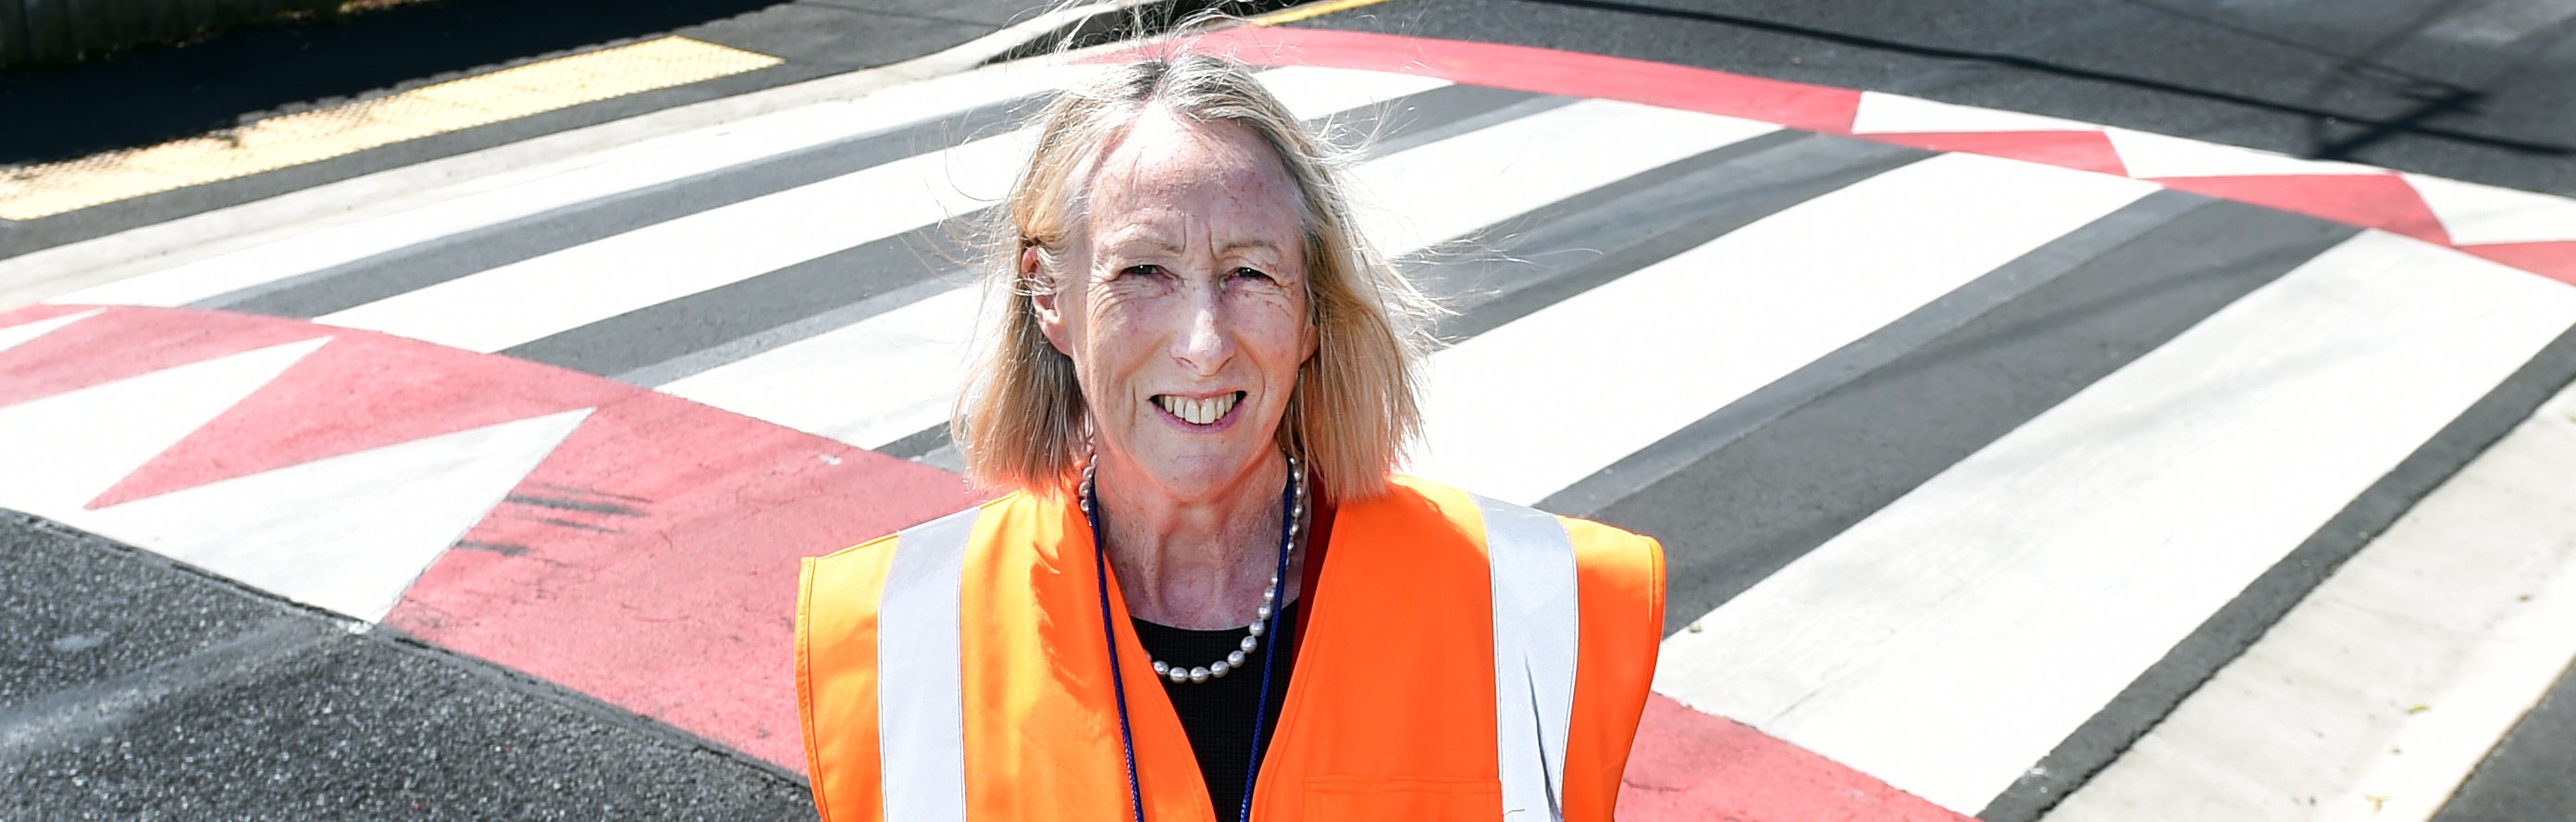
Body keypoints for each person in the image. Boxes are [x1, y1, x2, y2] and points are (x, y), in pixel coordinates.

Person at [795, 49, 1665, 822]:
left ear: (1314, 313)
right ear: (1050, 296)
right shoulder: (892, 636)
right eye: (1144, 271)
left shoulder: (1533, 604)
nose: (1205, 344)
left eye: (1249, 272)